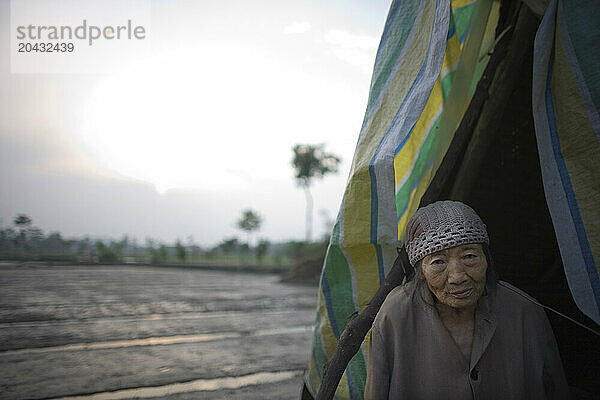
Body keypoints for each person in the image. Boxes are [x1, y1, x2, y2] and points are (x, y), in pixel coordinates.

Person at [364, 200, 569, 399]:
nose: (457, 277)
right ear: (421, 272)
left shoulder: (524, 311)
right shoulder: (395, 315)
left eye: (469, 257)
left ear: (486, 259)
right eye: (438, 262)